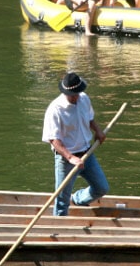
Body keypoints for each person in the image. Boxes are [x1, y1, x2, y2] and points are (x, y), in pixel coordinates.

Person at [42, 72, 109, 216]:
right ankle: (59, 228)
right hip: (66, 159)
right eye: (72, 94)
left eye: (77, 93)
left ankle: (78, 199)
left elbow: (89, 118)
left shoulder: (84, 98)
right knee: (61, 200)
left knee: (101, 188)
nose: (76, 97)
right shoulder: (55, 109)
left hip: (87, 153)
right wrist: (71, 157)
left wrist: (98, 131)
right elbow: (53, 139)